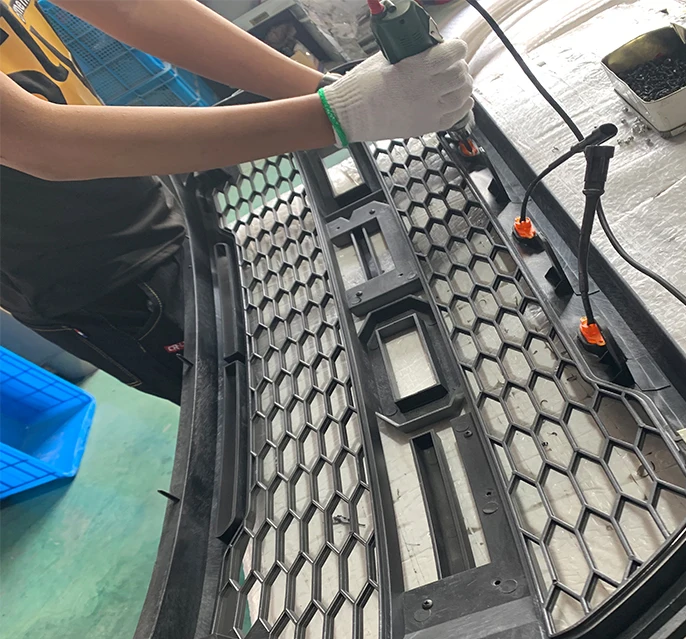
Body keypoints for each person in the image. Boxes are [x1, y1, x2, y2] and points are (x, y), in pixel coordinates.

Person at [0, 0, 473, 404]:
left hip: (136, 194)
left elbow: (132, 6)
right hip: (90, 280)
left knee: (304, 353)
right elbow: (37, 142)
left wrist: (322, 90)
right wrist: (339, 114)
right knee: (268, 406)